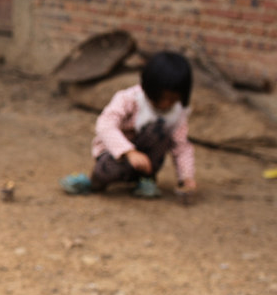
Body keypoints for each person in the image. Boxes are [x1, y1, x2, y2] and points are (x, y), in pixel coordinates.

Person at [60, 50, 197, 200]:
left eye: (173, 99)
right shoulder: (129, 99)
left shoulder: (177, 113)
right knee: (105, 171)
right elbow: (105, 125)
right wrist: (129, 152)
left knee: (159, 129)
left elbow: (181, 145)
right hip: (116, 156)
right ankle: (93, 182)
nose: (166, 104)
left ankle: (145, 180)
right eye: (162, 98)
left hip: (147, 162)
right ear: (149, 88)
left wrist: (186, 177)